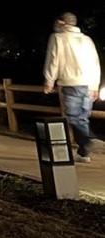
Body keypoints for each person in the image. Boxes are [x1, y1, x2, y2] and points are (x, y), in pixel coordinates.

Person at [43, 12, 103, 163]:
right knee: (82, 118)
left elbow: (53, 60)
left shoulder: (57, 38)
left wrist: (49, 81)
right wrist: (94, 86)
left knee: (74, 118)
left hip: (71, 83)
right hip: (88, 83)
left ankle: (90, 140)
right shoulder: (87, 39)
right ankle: (83, 153)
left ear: (62, 23)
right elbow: (95, 63)